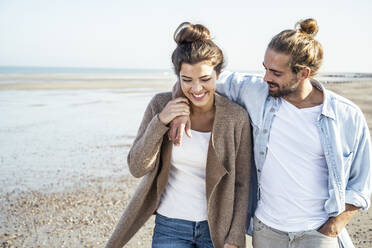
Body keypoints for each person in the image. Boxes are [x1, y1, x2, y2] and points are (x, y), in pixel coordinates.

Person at [169, 18, 372, 248]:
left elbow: (361, 184)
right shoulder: (255, 91)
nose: (266, 77)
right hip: (267, 232)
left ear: (303, 73)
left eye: (275, 73)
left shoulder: (346, 116)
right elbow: (196, 80)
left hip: (317, 234)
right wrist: (181, 109)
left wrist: (333, 227)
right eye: (265, 68)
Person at [106, 22, 252, 248]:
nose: (196, 89)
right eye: (187, 80)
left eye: (205, 79)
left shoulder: (236, 117)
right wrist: (161, 121)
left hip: (216, 231)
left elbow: (242, 184)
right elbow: (137, 167)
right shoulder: (160, 105)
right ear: (178, 77)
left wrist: (235, 237)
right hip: (170, 227)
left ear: (218, 73)